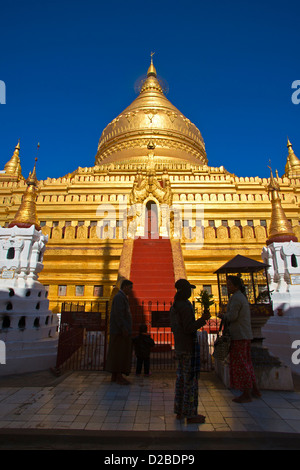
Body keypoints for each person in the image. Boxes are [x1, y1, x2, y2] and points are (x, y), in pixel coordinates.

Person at [170, 278, 211, 424]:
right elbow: (188, 327)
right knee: (190, 381)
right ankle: (190, 413)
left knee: (181, 379)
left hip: (180, 346)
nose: (191, 292)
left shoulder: (175, 305)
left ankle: (180, 409)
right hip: (188, 347)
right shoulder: (185, 306)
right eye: (189, 289)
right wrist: (202, 320)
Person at [223, 275, 261, 403]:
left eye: (229, 285)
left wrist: (223, 316)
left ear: (236, 286)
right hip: (244, 334)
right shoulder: (240, 297)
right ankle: (254, 389)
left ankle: (246, 393)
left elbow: (232, 316)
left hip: (239, 335)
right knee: (246, 362)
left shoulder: (237, 298)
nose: (227, 287)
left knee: (241, 363)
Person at [106, 279, 133, 385]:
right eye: (130, 288)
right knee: (119, 353)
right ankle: (118, 376)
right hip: (119, 331)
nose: (131, 290)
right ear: (125, 287)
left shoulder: (121, 297)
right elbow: (119, 314)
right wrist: (123, 328)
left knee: (116, 352)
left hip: (117, 330)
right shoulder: (119, 297)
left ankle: (114, 375)